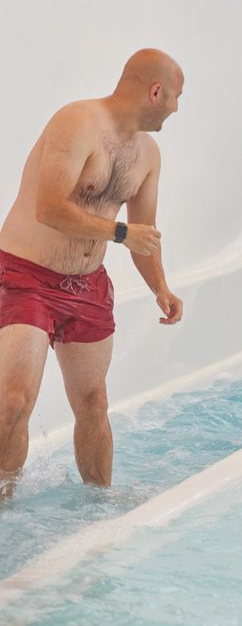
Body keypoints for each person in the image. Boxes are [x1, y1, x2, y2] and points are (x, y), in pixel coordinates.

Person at [0, 49, 185, 495]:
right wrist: (121, 233)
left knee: (93, 402)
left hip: (88, 286)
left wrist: (160, 286)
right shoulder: (77, 122)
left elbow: (144, 234)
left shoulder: (148, 155)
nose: (177, 108)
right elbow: (49, 207)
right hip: (28, 277)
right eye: (177, 97)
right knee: (13, 403)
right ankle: (4, 506)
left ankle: (97, 508)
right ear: (155, 92)